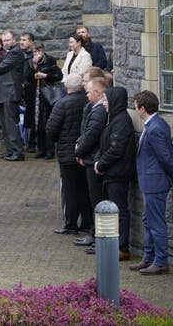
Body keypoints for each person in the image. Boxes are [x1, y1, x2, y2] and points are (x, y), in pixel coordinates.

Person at [130, 90, 173, 275]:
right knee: (148, 220)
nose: (135, 109)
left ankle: (161, 261)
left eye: (136, 106)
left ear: (142, 108)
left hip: (156, 183)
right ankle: (148, 257)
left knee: (156, 223)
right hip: (150, 182)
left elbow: (166, 158)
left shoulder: (155, 128)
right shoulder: (153, 124)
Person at [94, 86, 136, 262]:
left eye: (106, 100)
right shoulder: (114, 119)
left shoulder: (121, 121)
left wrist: (101, 164)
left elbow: (116, 149)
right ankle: (114, 245)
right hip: (111, 172)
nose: (104, 104)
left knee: (120, 210)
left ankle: (122, 248)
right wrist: (99, 161)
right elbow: (105, 144)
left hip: (118, 173)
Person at [46, 73, 91, 236]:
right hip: (85, 152)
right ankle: (87, 222)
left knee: (70, 190)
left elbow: (51, 129)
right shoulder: (88, 102)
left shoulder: (61, 104)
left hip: (67, 153)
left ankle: (71, 224)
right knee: (85, 188)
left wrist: (57, 140)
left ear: (66, 87)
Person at [73, 74, 109, 251]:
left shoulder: (99, 110)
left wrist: (79, 151)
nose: (86, 95)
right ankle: (95, 235)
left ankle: (99, 238)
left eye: (88, 92)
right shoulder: (94, 108)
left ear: (97, 92)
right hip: (90, 158)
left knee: (98, 201)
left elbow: (92, 134)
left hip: (93, 160)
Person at [0, 30, 26, 161]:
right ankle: (10, 151)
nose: (5, 43)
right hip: (4, 93)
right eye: (4, 40)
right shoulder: (10, 52)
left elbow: (2, 67)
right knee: (6, 125)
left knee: (11, 124)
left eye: (7, 40)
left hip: (10, 94)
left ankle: (17, 152)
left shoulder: (15, 52)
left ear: (13, 40)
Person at [25, 41, 62, 159]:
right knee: (37, 124)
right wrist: (34, 67)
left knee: (46, 123)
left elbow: (58, 75)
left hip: (47, 95)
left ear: (42, 50)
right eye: (34, 51)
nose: (35, 54)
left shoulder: (50, 60)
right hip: (35, 96)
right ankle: (41, 149)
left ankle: (50, 150)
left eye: (37, 51)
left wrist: (45, 76)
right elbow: (28, 77)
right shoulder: (30, 62)